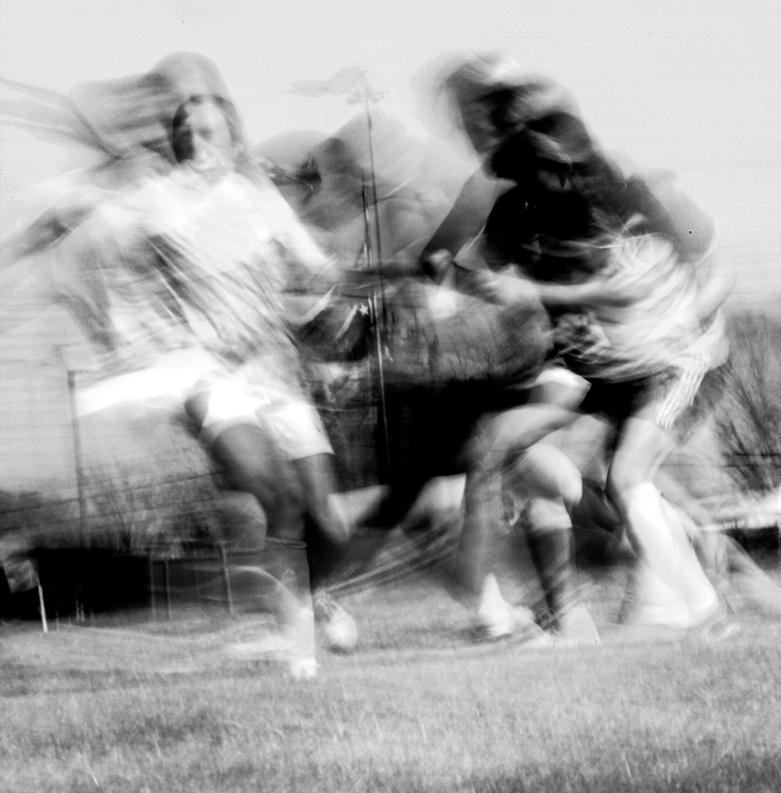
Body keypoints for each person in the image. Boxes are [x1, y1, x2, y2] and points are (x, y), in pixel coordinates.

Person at [1, 78, 356, 675]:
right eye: (184, 133)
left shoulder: (257, 195)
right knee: (279, 497)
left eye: (206, 130)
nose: (195, 140)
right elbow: (73, 214)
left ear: (232, 137)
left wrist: (339, 292)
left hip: (277, 375)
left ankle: (315, 596)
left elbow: (315, 265)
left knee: (329, 523)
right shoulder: (157, 198)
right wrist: (21, 249)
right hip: (207, 373)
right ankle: (294, 641)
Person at [430, 53, 734, 633]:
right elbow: (452, 264)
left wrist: (680, 321)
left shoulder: (632, 193)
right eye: (469, 124)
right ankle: (536, 600)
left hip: (668, 356)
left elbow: (713, 266)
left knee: (622, 475)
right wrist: (448, 283)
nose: (478, 138)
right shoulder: (509, 204)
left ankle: (679, 583)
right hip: (588, 361)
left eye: (485, 121)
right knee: (518, 450)